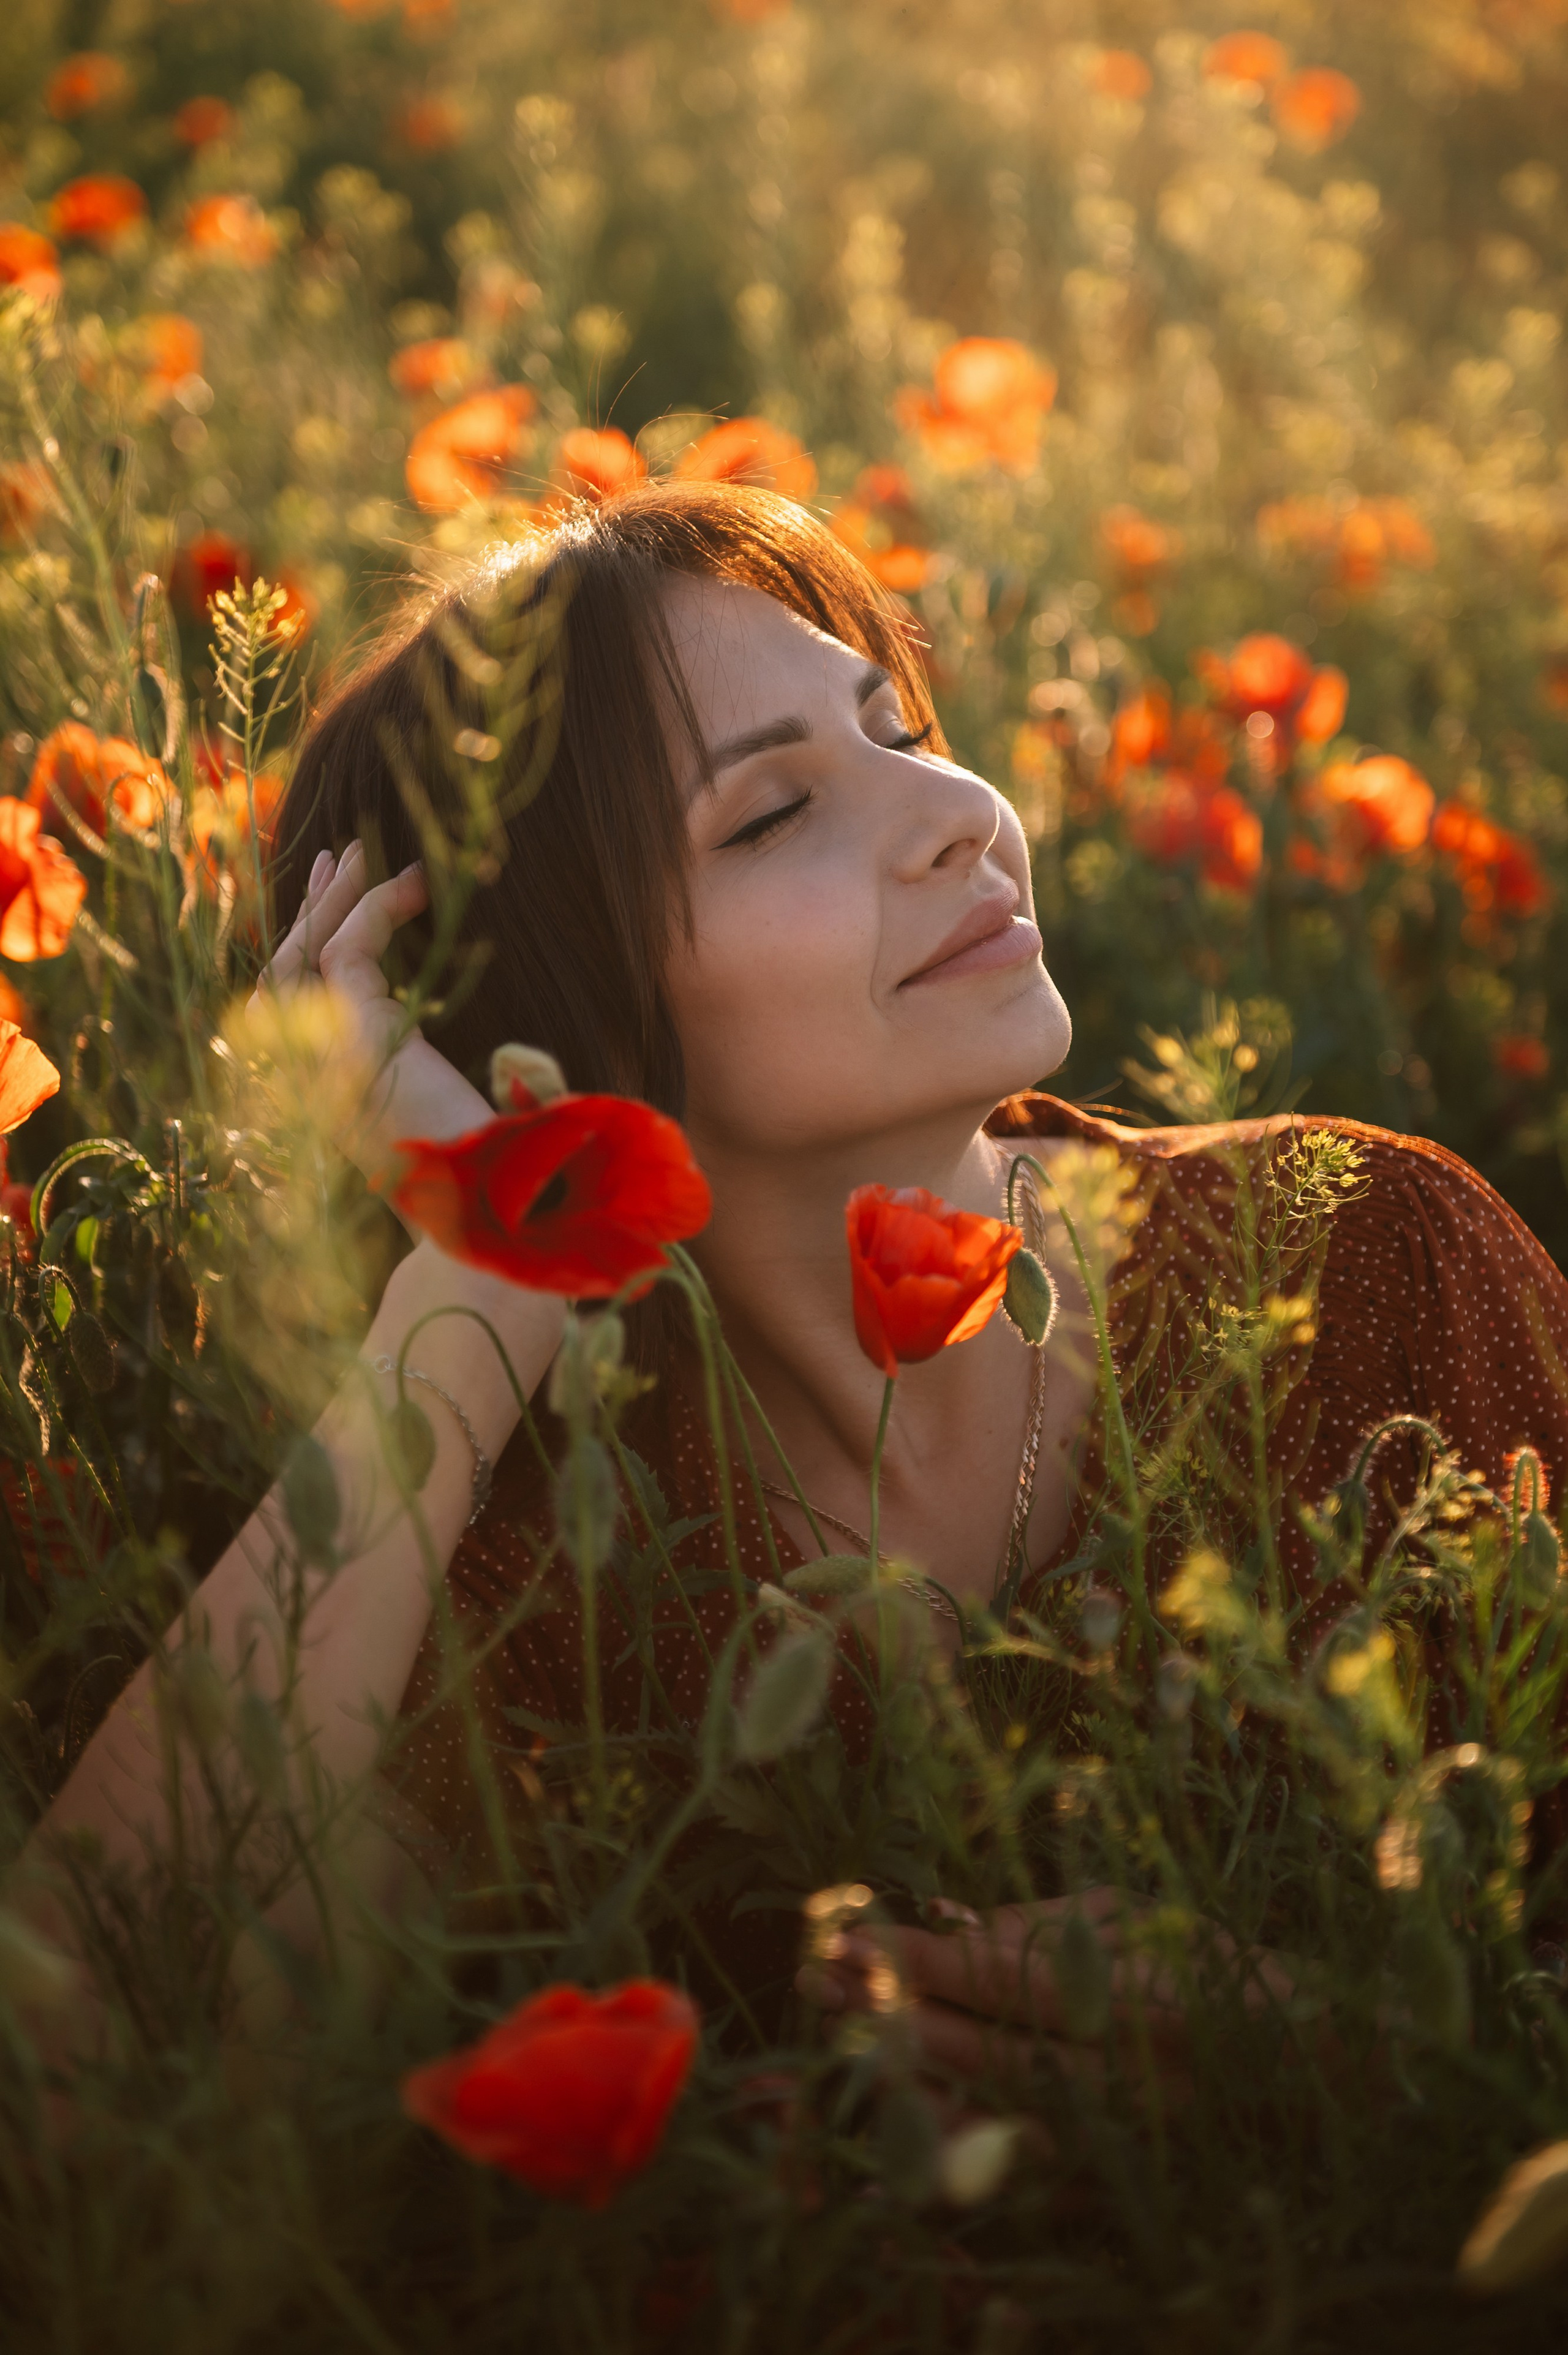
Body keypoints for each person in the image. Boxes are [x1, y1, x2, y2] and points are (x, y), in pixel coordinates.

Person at [21, 482, 1568, 2071]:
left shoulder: (1369, 1262)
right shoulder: (565, 1606)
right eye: (770, 813)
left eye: (898, 730)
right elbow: (86, 2096)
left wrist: (1339, 2063)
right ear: (550, 1023)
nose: (960, 810)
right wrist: (486, 1266)